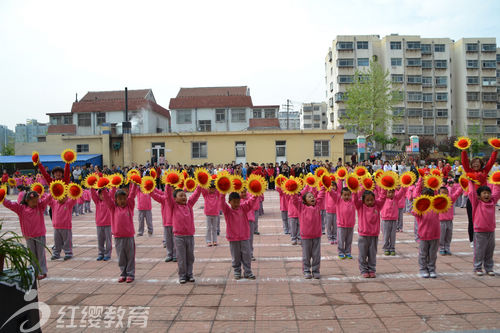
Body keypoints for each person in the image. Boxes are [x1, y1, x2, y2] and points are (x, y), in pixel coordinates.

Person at [3, 191, 51, 280]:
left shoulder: (40, 206)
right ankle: (34, 271)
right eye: (33, 201)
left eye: (36, 200)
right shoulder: (21, 209)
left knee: (41, 254)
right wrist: (3, 198)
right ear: (27, 200)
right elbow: (10, 204)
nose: (35, 203)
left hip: (40, 234)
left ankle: (42, 271)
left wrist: (53, 191)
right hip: (28, 236)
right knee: (32, 254)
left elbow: (47, 199)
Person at [165, 184, 202, 284]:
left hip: (190, 236)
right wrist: (168, 185)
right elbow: (168, 196)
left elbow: (196, 194)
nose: (183, 197)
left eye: (184, 195)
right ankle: (182, 275)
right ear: (175, 199)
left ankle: (190, 274)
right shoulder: (173, 206)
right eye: (180, 196)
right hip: (179, 237)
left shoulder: (189, 205)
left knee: (190, 257)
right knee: (181, 257)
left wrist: (200, 184)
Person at [102, 184, 138, 283]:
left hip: (129, 236)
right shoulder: (113, 209)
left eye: (124, 198)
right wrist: (103, 189)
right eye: (119, 199)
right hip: (118, 237)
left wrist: (134, 184)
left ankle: (130, 274)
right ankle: (123, 273)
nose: (122, 201)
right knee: (121, 257)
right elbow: (107, 199)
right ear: (116, 201)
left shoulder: (129, 207)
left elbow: (132, 195)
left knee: (130, 256)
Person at [461, 148, 498, 247]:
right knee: (471, 219)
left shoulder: (485, 171)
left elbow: (491, 162)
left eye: (478, 163)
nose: (475, 164)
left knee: (483, 219)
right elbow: (464, 162)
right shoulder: (469, 171)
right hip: (472, 200)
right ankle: (472, 240)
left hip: (483, 201)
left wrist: (494, 151)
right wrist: (464, 151)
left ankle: (484, 236)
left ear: (481, 164)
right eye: (474, 163)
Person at [219, 192, 257, 280]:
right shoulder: (227, 210)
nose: (236, 204)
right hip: (233, 238)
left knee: (247, 255)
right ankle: (237, 271)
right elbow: (221, 202)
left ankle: (248, 271)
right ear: (229, 202)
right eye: (234, 202)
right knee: (235, 256)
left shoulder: (243, 208)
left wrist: (256, 194)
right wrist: (223, 193)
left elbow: (250, 202)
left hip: (244, 237)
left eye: (238, 202)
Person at [291, 188, 326, 279]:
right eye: (309, 197)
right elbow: (294, 200)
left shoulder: (317, 206)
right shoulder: (301, 207)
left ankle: (315, 270)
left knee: (316, 255)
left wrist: (323, 186)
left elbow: (321, 196)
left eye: (313, 196)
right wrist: (293, 191)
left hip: (316, 235)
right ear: (304, 200)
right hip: (305, 236)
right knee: (306, 255)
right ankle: (306, 270)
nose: (312, 198)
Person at [468, 183, 499, 276]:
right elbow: (471, 193)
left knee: (490, 250)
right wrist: (471, 183)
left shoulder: (492, 202)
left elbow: (497, 192)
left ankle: (489, 268)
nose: (486, 195)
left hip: (491, 231)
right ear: (479, 196)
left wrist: (497, 181)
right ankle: (477, 267)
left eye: (488, 193)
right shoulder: (477, 203)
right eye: (484, 193)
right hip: (479, 231)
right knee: (479, 250)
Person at [353, 189, 385, 278]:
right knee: (362, 254)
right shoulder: (360, 206)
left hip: (374, 235)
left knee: (372, 254)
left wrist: (384, 187)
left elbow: (383, 198)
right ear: (363, 201)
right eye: (367, 200)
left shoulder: (377, 206)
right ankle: (363, 270)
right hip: (363, 235)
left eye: (372, 199)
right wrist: (355, 190)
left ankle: (371, 269)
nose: (370, 202)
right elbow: (355, 199)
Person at [412, 179, 440, 278]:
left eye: (430, 196)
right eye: (425, 197)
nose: (428, 199)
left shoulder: (437, 207)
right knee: (423, 254)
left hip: (435, 235)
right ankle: (423, 269)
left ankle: (432, 269)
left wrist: (434, 182)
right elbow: (414, 211)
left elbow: (438, 194)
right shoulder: (420, 209)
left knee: (433, 254)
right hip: (423, 235)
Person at [47, 195, 77, 261]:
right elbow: (48, 200)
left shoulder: (68, 203)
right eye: (59, 196)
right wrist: (52, 193)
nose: (61, 198)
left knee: (67, 241)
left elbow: (74, 199)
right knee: (57, 241)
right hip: (56, 227)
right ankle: (56, 253)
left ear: (67, 197)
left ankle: (68, 253)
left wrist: (74, 192)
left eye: (64, 196)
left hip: (66, 227)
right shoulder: (54, 203)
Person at [330, 183, 356, 259]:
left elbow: (357, 192)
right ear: (341, 195)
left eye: (348, 195)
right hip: (341, 225)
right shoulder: (338, 200)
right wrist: (329, 188)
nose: (347, 196)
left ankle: (348, 252)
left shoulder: (352, 201)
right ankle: (340, 252)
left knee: (349, 240)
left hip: (350, 225)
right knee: (341, 240)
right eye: (345, 195)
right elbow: (332, 194)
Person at [381, 187, 407, 256]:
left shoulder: (396, 198)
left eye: (392, 192)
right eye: (389, 192)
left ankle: (392, 248)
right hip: (385, 219)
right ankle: (386, 248)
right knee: (386, 235)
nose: (390, 194)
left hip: (394, 220)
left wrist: (404, 185)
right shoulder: (384, 198)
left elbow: (401, 192)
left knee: (393, 235)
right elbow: (383, 191)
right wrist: (385, 185)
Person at [438, 184, 463, 256]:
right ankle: (441, 248)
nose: (444, 194)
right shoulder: (437, 200)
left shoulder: (450, 199)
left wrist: (462, 186)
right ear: (439, 193)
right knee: (442, 235)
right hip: (441, 221)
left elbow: (457, 193)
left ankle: (447, 248)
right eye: (442, 192)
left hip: (449, 221)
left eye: (445, 192)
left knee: (449, 235)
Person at [90, 188, 112, 261]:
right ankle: (101, 253)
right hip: (99, 224)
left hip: (108, 224)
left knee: (108, 241)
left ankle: (108, 254)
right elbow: (93, 195)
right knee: (100, 240)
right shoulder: (97, 202)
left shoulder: (109, 202)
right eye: (100, 194)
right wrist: (91, 186)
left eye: (104, 193)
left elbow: (113, 192)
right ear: (98, 195)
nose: (102, 195)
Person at [201, 181, 222, 247]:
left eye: (213, 188)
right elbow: (202, 188)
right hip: (208, 213)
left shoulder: (217, 194)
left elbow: (220, 189)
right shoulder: (206, 194)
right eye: (210, 188)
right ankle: (208, 241)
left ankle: (215, 240)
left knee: (215, 228)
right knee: (208, 228)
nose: (211, 190)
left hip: (215, 213)